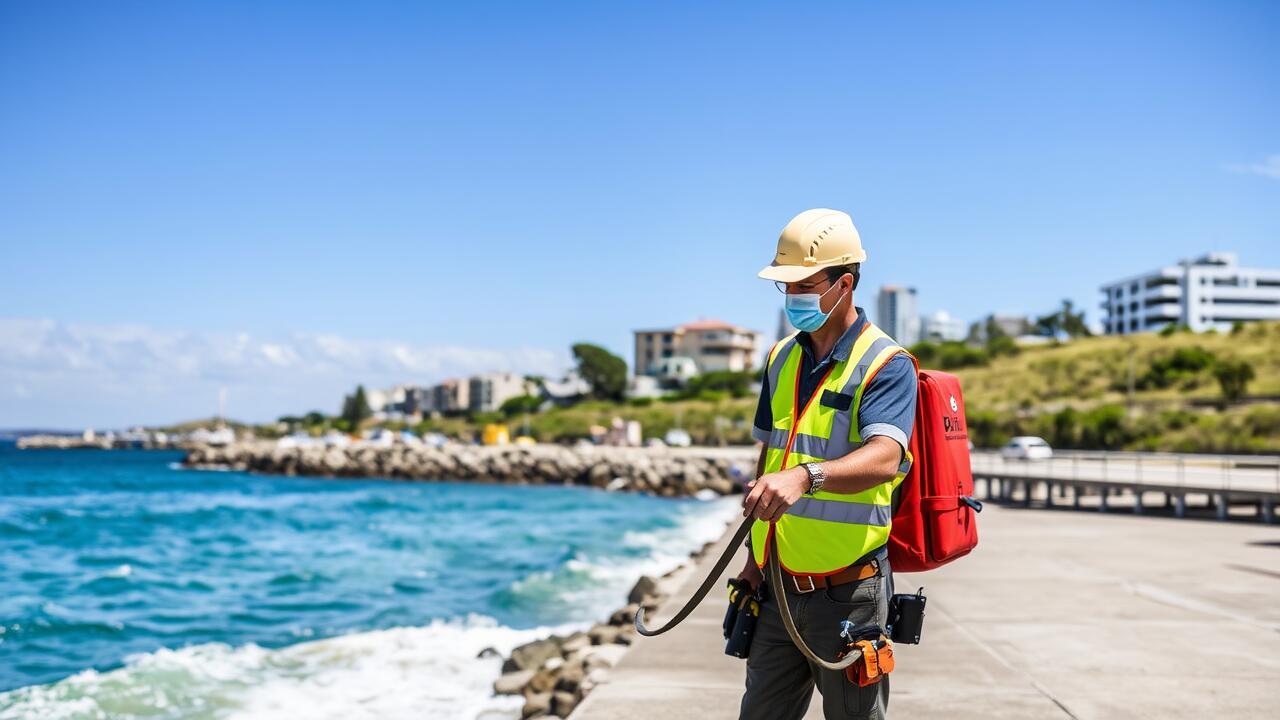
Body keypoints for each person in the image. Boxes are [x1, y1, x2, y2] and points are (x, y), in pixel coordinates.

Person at [737, 208, 918, 720]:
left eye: (802, 283)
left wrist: (805, 476)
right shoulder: (779, 359)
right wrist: (753, 563)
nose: (793, 295)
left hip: (848, 594)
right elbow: (770, 455)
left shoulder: (886, 363)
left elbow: (887, 457)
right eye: (786, 285)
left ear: (844, 284)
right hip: (775, 586)